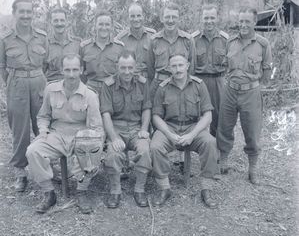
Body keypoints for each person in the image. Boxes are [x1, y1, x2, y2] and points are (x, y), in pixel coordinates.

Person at [26, 54, 105, 214]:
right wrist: (43, 132)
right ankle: (49, 193)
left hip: (81, 135)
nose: (71, 74)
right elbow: (43, 116)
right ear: (62, 70)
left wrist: (94, 145)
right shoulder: (51, 89)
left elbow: (96, 127)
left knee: (91, 151)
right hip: (57, 134)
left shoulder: (90, 95)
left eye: (75, 70)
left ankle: (81, 191)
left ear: (81, 70)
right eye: (67, 69)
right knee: (33, 151)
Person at [150, 54, 220, 208]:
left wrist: (192, 135)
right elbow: (156, 117)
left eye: (181, 65)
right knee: (155, 146)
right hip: (170, 127)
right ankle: (164, 188)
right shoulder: (163, 88)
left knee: (210, 143)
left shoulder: (199, 85)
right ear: (169, 68)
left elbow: (207, 115)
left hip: (192, 127)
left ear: (187, 65)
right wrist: (169, 134)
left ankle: (206, 189)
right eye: (174, 66)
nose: (178, 69)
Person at [217, 7, 272, 183]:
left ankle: (253, 168)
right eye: (241, 21)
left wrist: (252, 85)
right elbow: (225, 65)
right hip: (230, 90)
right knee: (224, 127)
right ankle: (223, 159)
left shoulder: (263, 44)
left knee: (252, 131)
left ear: (254, 22)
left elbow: (266, 73)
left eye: (247, 21)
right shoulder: (230, 42)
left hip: (251, 93)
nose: (243, 25)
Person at [0, 0, 48, 192]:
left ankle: (44, 166)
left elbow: (45, 63)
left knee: (42, 125)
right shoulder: (5, 39)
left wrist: (36, 78)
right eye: (22, 12)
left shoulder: (42, 36)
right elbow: (2, 67)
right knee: (19, 129)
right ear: (15, 13)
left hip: (38, 81)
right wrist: (13, 83)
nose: (26, 15)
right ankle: (21, 172)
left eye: (29, 12)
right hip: (16, 84)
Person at [100, 51, 152, 209]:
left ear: (135, 67)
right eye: (123, 68)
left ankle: (139, 189)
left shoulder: (143, 83)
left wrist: (144, 128)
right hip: (117, 127)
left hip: (137, 127)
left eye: (130, 67)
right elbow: (106, 114)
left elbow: (146, 108)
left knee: (144, 150)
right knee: (113, 154)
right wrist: (113, 137)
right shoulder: (108, 85)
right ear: (117, 67)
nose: (127, 72)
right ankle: (115, 190)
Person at [192, 4, 229, 137]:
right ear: (201, 18)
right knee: (195, 115)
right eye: (206, 18)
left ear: (217, 18)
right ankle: (192, 150)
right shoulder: (193, 39)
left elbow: (230, 64)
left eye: (212, 18)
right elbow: (189, 65)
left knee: (218, 116)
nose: (209, 21)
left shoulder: (225, 39)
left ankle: (216, 149)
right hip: (198, 81)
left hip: (218, 81)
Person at [147, 2, 195, 100]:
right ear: (161, 18)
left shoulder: (188, 40)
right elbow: (150, 69)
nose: (170, 20)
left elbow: (192, 67)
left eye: (174, 17)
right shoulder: (154, 40)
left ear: (179, 19)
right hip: (158, 85)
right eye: (167, 17)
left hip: (180, 86)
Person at [80, 10, 124, 96]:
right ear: (95, 26)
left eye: (107, 24)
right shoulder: (84, 47)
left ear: (111, 27)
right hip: (90, 90)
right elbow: (81, 73)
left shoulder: (119, 47)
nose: (104, 28)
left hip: (112, 90)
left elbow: (122, 72)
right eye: (100, 24)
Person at [116, 3, 155, 78]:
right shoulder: (120, 38)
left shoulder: (152, 35)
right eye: (132, 16)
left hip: (148, 78)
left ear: (143, 17)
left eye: (138, 15)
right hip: (129, 79)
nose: (136, 19)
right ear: (128, 18)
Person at [45, 8, 81, 82]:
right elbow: (41, 70)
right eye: (56, 20)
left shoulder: (77, 43)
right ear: (51, 22)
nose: (59, 24)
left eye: (62, 20)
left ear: (67, 22)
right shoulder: (45, 44)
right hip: (53, 86)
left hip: (73, 84)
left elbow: (83, 69)